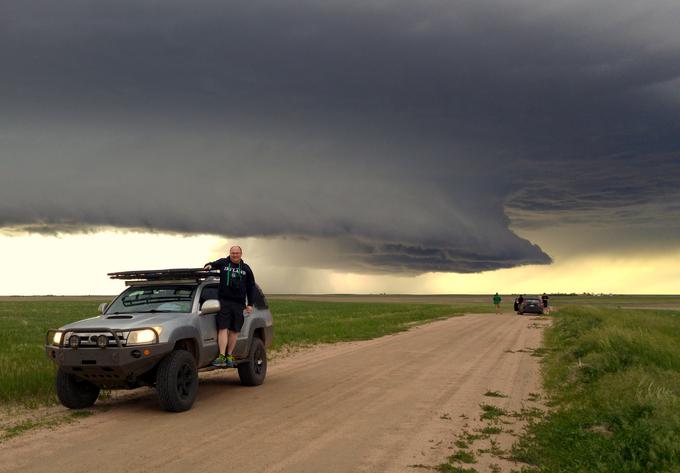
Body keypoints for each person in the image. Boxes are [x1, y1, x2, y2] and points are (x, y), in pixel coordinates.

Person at [203, 246, 256, 368]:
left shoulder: (246, 269)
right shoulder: (223, 262)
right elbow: (211, 264)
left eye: (237, 253)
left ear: (241, 254)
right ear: (230, 253)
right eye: (233, 253)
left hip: (239, 303)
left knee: (234, 330)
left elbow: (251, 287)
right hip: (224, 301)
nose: (235, 255)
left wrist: (250, 304)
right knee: (223, 328)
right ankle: (221, 356)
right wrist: (209, 266)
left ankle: (229, 355)